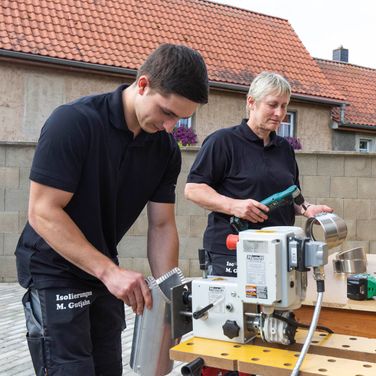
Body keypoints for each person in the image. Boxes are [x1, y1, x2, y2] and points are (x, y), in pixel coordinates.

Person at [15, 43, 208, 376]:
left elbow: (161, 226)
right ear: (143, 84)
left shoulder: (164, 150)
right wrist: (109, 272)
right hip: (53, 270)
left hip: (103, 270)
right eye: (166, 112)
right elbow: (43, 211)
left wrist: (170, 298)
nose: (170, 126)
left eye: (180, 118)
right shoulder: (74, 122)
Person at [185, 71, 332, 277]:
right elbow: (193, 189)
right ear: (251, 102)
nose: (280, 113)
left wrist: (306, 208)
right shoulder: (223, 142)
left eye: (284, 106)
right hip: (231, 251)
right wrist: (234, 206)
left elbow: (291, 196)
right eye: (272, 105)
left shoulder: (284, 148)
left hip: (276, 251)